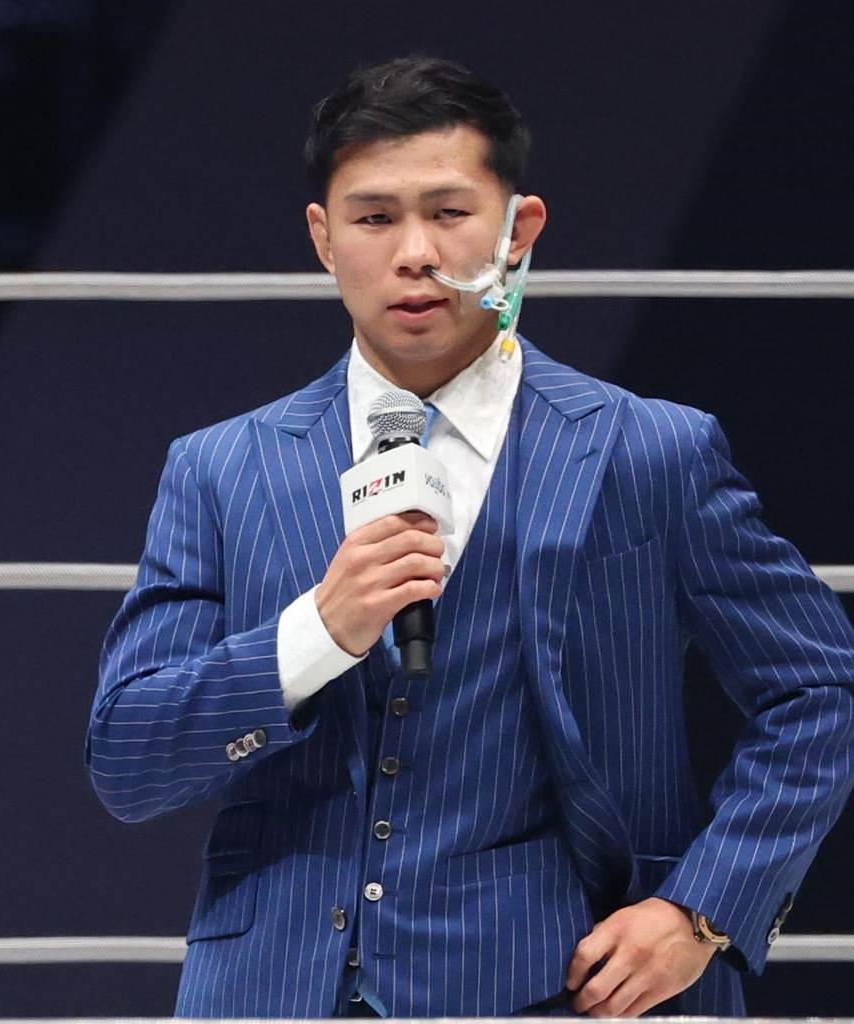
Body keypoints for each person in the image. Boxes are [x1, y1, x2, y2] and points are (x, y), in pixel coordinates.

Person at [85, 55, 854, 1019]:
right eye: (374, 218)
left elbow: (821, 689)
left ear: (517, 229)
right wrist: (317, 633)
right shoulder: (221, 469)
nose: (415, 253)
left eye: (449, 213)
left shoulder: (650, 450)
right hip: (274, 991)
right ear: (323, 238)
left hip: (563, 984)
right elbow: (128, 760)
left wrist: (702, 911)